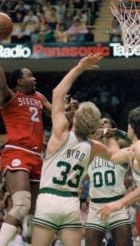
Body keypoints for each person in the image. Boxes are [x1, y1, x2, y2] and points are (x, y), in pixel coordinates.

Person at [31, 53, 126, 246]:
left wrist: (79, 67)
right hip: (70, 204)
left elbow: (57, 92)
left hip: (48, 199)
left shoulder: (60, 133)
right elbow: (118, 157)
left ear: (74, 118)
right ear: (94, 126)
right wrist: (113, 134)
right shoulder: (94, 147)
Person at [0, 27, 52, 246]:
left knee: (35, 213)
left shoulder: (40, 97)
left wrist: (69, 109)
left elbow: (59, 115)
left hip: (37, 155)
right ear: (19, 81)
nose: (34, 78)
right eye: (29, 75)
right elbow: (0, 81)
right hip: (17, 151)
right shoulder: (9, 96)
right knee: (21, 204)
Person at [85, 116, 132, 246]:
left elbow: (135, 142)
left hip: (117, 205)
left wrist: (117, 132)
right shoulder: (89, 149)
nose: (102, 123)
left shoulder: (121, 149)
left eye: (105, 122)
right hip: (95, 207)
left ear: (111, 127)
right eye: (99, 122)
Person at [100, 107, 140, 220]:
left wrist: (120, 202)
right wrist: (112, 134)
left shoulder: (138, 148)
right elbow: (114, 158)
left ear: (131, 127)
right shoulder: (132, 150)